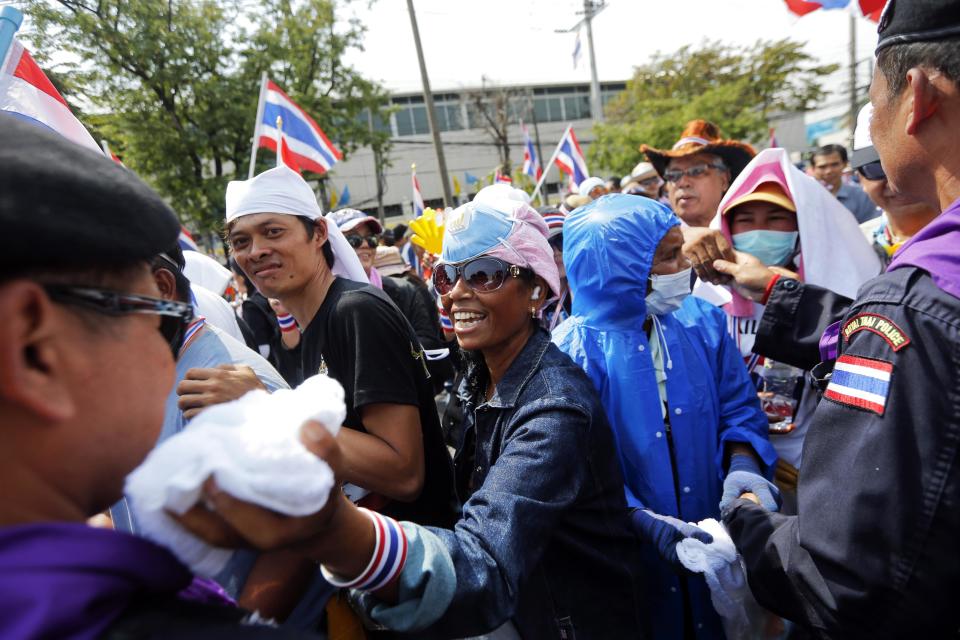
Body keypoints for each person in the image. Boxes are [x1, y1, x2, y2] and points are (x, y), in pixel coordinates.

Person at [179, 195, 648, 638]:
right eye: (447, 276)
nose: (457, 294)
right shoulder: (482, 374)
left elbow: (483, 562)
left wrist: (342, 531)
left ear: (537, 289)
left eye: (484, 274)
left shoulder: (552, 407)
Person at [0, 115, 315, 638]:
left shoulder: (232, 384)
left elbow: (294, 536)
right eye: (142, 319)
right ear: (33, 347)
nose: (157, 352)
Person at [708, 3, 960, 634]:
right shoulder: (915, 300)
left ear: (919, 97)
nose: (872, 126)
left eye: (873, 100)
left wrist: (743, 517)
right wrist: (782, 296)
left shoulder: (909, 305)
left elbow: (843, 575)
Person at [553, 194, 777, 639]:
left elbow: (738, 409)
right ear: (622, 268)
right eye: (669, 257)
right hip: (629, 569)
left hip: (720, 545)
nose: (685, 267)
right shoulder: (569, 353)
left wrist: (745, 470)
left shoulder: (701, 322)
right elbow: (574, 468)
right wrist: (640, 520)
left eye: (681, 251)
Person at [223, 167, 457, 529]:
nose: (256, 251)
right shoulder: (316, 324)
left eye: (273, 232)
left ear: (318, 233)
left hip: (418, 561)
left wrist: (274, 409)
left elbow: (404, 475)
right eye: (240, 242)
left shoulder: (356, 312)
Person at [715, 148, 879, 506]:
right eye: (746, 220)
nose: (760, 231)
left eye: (776, 218)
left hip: (824, 472)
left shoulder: (840, 294)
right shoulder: (706, 302)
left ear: (801, 226)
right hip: (740, 473)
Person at [851, 103, 940, 267]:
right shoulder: (852, 248)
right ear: (859, 177)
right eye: (876, 168)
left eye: (909, 166)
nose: (895, 182)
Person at [642, 119, 756, 228]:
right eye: (673, 175)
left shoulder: (749, 237)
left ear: (724, 180)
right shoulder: (651, 243)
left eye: (697, 171)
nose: (683, 182)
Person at [375, 245, 453, 393]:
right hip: (433, 367)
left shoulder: (404, 290)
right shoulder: (417, 284)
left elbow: (425, 335)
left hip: (413, 374)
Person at [810, 143, 880, 224]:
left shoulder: (861, 195)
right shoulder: (806, 198)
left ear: (845, 164)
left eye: (834, 164)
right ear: (813, 168)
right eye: (822, 167)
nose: (829, 171)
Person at [537, 207, 571, 331]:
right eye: (548, 244)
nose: (556, 251)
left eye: (561, 241)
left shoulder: (587, 288)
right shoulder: (531, 298)